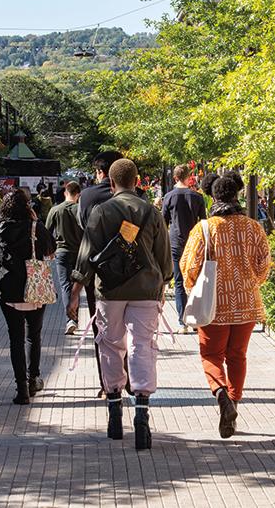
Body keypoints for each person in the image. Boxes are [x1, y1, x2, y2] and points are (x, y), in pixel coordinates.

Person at [68, 158, 172, 450]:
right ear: (137, 181)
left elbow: (87, 253)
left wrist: (76, 290)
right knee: (143, 346)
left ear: (111, 183)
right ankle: (142, 409)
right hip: (145, 290)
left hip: (110, 291)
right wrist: (163, 283)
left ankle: (114, 408)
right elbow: (163, 255)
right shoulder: (151, 212)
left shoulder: (100, 211)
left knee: (111, 344)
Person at [180, 172, 270, 439]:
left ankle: (221, 395)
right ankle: (234, 404)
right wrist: (250, 283)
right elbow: (264, 266)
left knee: (211, 356)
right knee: (237, 356)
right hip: (246, 303)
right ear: (237, 195)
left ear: (213, 196)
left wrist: (192, 289)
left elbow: (189, 267)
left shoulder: (205, 228)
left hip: (212, 306)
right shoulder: (254, 227)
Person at [0, 189, 56, 405]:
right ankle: (33, 378)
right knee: (33, 335)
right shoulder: (36, 227)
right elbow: (51, 249)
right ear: (28, 207)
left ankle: (21, 389)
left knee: (15, 338)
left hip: (9, 290)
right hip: (35, 289)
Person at [76, 150, 124, 396]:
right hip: (131, 272)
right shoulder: (136, 197)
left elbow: (85, 228)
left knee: (101, 328)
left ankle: (107, 383)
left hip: (98, 272)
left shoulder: (86, 196)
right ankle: (127, 374)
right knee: (129, 326)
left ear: (100, 172)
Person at [161, 164, 206, 332]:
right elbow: (203, 221)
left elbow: (163, 222)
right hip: (194, 243)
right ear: (189, 177)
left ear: (175, 178)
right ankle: (195, 318)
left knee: (179, 281)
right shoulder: (197, 197)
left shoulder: (169, 197)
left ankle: (183, 321)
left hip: (175, 242)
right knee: (195, 280)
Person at [45, 181, 83, 335]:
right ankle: (75, 318)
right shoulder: (81, 210)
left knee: (65, 286)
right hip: (80, 253)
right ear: (78, 194)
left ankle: (70, 320)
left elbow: (47, 232)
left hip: (61, 253)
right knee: (77, 286)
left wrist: (50, 250)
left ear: (65, 193)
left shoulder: (55, 210)